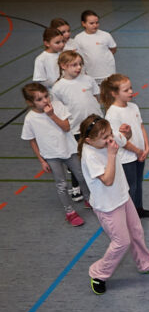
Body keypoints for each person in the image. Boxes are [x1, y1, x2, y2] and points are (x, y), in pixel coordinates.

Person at [78, 115, 149, 295]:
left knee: (136, 231)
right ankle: (98, 273)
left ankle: (145, 263)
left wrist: (127, 133)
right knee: (121, 242)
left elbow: (123, 139)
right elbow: (107, 180)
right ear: (89, 140)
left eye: (110, 133)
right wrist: (111, 155)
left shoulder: (108, 139)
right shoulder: (90, 156)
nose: (110, 139)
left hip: (122, 196)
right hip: (108, 206)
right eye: (105, 137)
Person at [20, 83, 91, 227]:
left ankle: (89, 200)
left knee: (82, 175)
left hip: (69, 150)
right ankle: (70, 212)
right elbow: (32, 140)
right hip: (51, 155)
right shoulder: (30, 119)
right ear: (30, 102)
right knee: (61, 184)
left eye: (46, 96)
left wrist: (52, 115)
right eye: (39, 99)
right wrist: (42, 160)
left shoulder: (58, 106)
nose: (45, 101)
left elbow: (66, 127)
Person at [101, 74, 149, 218]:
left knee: (138, 183)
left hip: (140, 153)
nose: (131, 92)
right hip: (126, 158)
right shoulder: (112, 114)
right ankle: (129, 216)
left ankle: (138, 209)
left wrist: (146, 147)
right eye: (126, 90)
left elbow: (141, 127)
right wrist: (138, 151)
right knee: (130, 187)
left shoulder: (133, 107)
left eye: (131, 88)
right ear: (114, 93)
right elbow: (121, 141)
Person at [51, 50, 101, 203]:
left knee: (98, 156)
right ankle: (77, 188)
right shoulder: (58, 88)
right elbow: (59, 111)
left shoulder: (88, 80)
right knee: (78, 160)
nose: (78, 67)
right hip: (76, 129)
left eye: (80, 64)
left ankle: (98, 187)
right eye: (74, 65)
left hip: (96, 126)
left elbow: (96, 97)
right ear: (63, 66)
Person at [66, 10, 116, 85]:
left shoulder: (106, 35)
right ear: (83, 23)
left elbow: (113, 48)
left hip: (108, 72)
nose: (95, 25)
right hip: (91, 73)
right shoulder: (79, 38)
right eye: (91, 23)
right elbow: (78, 56)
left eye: (97, 23)